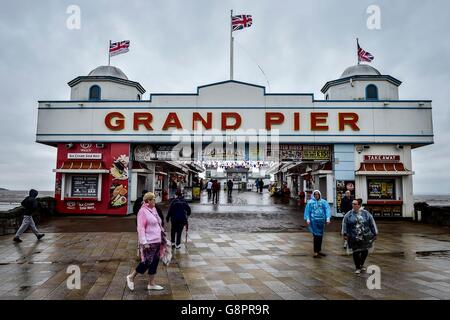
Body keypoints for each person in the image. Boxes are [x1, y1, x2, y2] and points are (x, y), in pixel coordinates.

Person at [126, 192, 166, 291]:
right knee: (147, 262)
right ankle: (131, 277)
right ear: (148, 201)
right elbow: (141, 228)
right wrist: (144, 242)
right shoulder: (142, 211)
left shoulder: (154, 209)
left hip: (157, 240)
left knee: (155, 262)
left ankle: (151, 284)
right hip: (149, 241)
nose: (155, 201)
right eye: (153, 199)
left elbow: (158, 224)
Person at [342, 198, 378, 274]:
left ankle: (361, 264)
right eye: (352, 204)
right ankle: (357, 267)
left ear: (359, 205)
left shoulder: (366, 214)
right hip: (353, 236)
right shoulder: (348, 215)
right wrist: (345, 234)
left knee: (365, 251)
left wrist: (374, 233)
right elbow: (345, 224)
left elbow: (371, 224)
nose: (353, 205)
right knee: (356, 252)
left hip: (365, 235)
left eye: (355, 204)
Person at [303, 190, 331, 258]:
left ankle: (319, 250)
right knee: (316, 236)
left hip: (321, 221)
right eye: (315, 194)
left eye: (317, 194)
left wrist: (328, 218)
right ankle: (316, 252)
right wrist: (308, 219)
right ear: (313, 195)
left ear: (319, 195)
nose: (316, 195)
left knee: (320, 236)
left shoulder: (323, 202)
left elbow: (327, 210)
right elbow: (307, 211)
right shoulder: (310, 202)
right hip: (314, 221)